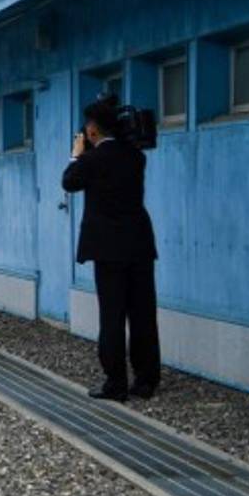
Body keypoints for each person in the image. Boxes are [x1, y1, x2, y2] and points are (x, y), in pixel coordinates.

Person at [62, 98, 160, 402]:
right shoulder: (136, 157)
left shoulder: (91, 161)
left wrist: (77, 156)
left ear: (92, 130)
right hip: (140, 244)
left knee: (113, 316)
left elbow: (69, 182)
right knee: (143, 313)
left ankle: (115, 383)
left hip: (108, 249)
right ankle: (146, 381)